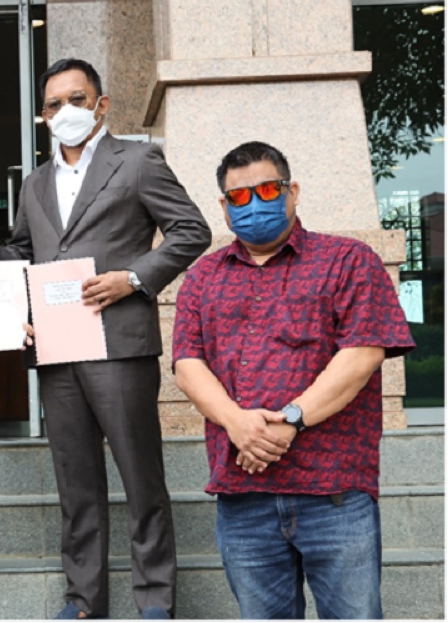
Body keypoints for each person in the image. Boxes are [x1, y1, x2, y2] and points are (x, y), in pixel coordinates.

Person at [0, 58, 211, 619]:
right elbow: (24, 255)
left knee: (142, 483)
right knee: (76, 488)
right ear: (42, 116)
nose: (65, 112)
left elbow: (191, 230)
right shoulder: (34, 183)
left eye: (77, 100)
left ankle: (155, 603)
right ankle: (83, 603)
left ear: (100, 105)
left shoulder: (140, 159)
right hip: (57, 350)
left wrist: (135, 277)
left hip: (121, 346)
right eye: (54, 105)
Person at [172, 141, 416, 619]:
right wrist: (237, 424)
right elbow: (186, 365)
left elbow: (363, 352)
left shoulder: (347, 260)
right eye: (238, 197)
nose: (253, 203)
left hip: (334, 493)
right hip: (243, 496)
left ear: (293, 191)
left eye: (266, 189)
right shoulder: (202, 277)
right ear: (223, 206)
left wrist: (292, 419)